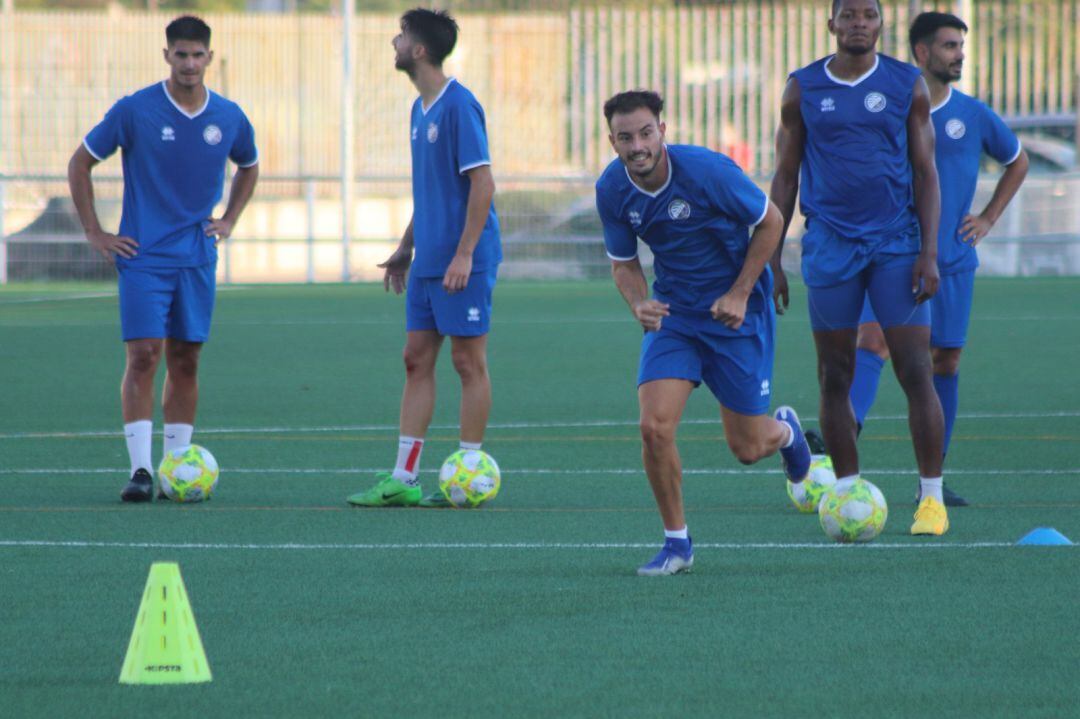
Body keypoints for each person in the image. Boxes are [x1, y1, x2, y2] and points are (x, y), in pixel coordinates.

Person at [595, 90, 812, 576]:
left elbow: (772, 222)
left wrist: (739, 292)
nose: (637, 146)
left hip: (735, 314)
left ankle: (787, 433)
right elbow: (623, 263)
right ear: (612, 141)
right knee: (654, 427)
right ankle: (677, 544)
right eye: (625, 137)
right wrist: (639, 303)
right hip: (675, 315)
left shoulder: (707, 172)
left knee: (748, 448)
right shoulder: (611, 189)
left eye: (646, 133)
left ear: (662, 131)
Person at [769, 0, 950, 535]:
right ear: (831, 25)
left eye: (868, 15)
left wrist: (929, 252)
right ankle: (847, 493)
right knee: (834, 376)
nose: (858, 24)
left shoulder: (906, 84)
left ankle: (931, 500)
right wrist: (773, 256)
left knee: (916, 369)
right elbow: (784, 176)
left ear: (879, 24)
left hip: (896, 244)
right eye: (848, 15)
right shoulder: (803, 88)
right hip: (828, 245)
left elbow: (926, 174)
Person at [68, 16, 259, 502]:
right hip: (144, 255)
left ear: (210, 59)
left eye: (198, 55)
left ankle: (177, 466)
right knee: (144, 355)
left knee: (186, 359)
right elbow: (81, 162)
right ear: (167, 56)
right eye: (181, 55)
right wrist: (95, 232)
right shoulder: (136, 110)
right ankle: (140, 472)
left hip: (196, 256)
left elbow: (250, 165)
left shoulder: (230, 116)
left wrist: (230, 218)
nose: (190, 64)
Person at [843, 11, 1029, 506]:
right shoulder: (891, 108)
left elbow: (1018, 160)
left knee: (945, 361)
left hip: (952, 263)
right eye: (949, 46)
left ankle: (934, 482)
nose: (959, 55)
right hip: (892, 255)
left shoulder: (973, 114)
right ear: (922, 53)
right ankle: (837, 458)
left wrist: (987, 217)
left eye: (960, 46)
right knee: (872, 339)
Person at [348, 8, 501, 508]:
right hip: (429, 259)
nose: (393, 42)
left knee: (466, 361)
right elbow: (433, 191)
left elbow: (483, 183)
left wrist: (464, 254)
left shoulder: (460, 106)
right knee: (415, 360)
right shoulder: (419, 109)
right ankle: (404, 477)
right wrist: (406, 247)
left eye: (400, 36)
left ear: (418, 49)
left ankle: (471, 472)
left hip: (463, 262)